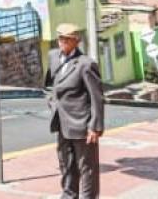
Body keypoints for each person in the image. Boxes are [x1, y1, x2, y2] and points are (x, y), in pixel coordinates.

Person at [45, 22, 104, 199]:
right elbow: (48, 85)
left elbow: (97, 97)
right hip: (62, 123)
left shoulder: (85, 64)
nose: (62, 42)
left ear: (75, 41)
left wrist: (95, 127)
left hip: (81, 125)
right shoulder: (54, 57)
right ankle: (69, 195)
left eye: (66, 39)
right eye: (60, 38)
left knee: (87, 168)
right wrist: (51, 102)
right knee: (66, 163)